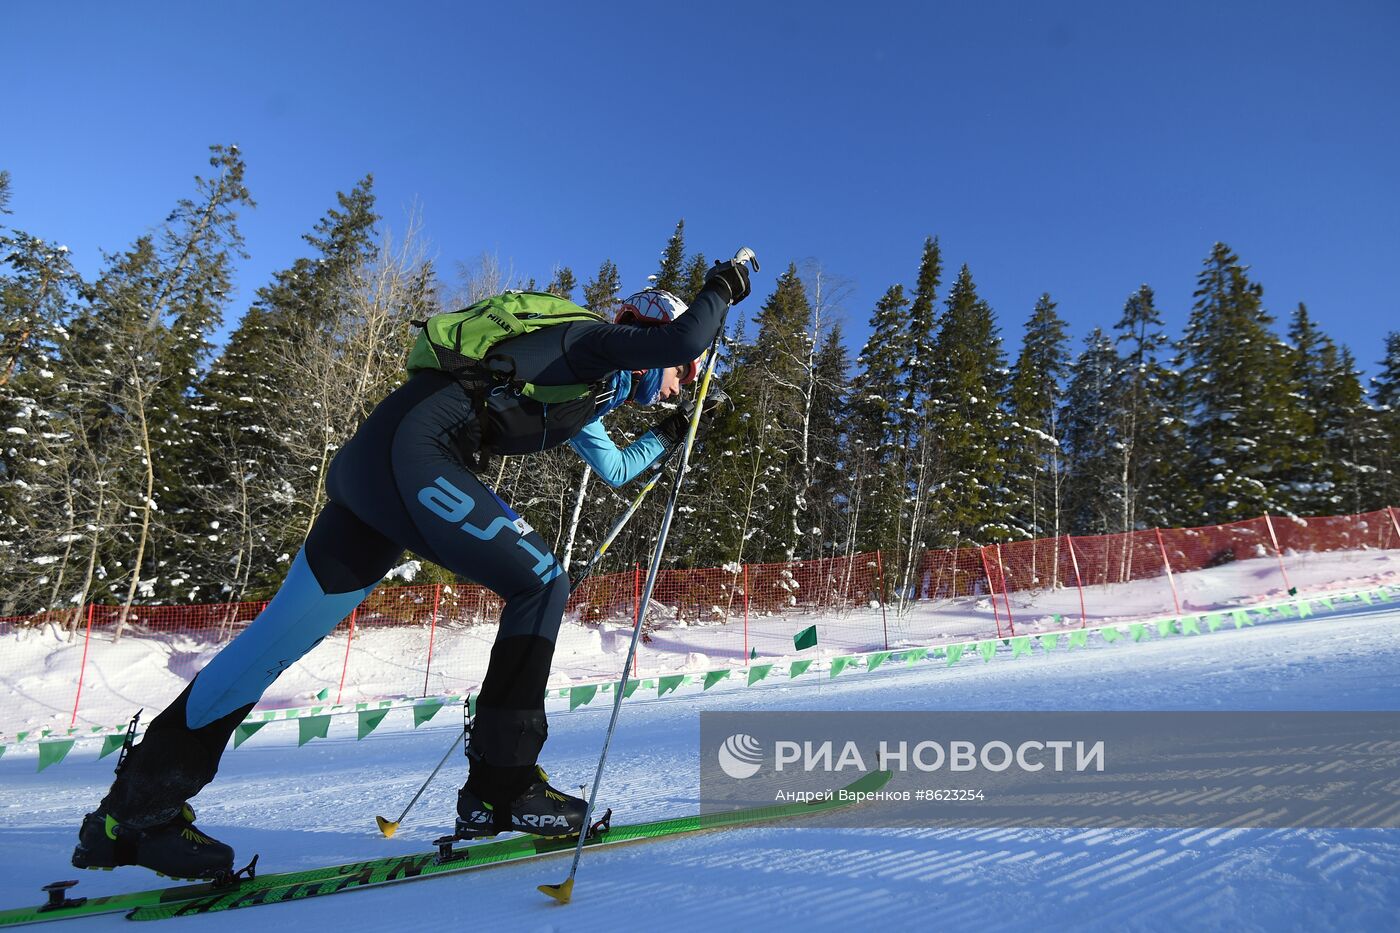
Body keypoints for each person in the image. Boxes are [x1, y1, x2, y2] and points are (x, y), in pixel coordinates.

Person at [72, 256, 752, 880]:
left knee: (272, 643)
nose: (683, 381)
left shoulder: (584, 394)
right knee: (541, 579)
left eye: (688, 382)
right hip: (417, 452)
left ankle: (131, 816)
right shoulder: (592, 342)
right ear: (648, 324)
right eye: (683, 376)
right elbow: (686, 340)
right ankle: (501, 788)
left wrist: (674, 432)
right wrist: (722, 287)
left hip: (378, 468)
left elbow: (617, 468)